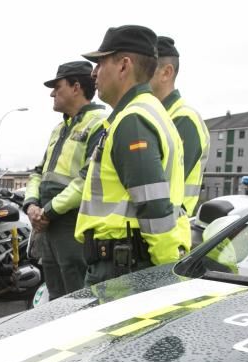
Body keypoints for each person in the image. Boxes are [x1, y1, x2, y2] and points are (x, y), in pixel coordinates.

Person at [75, 25, 188, 286]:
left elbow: (153, 206)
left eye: (100, 63)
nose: (93, 73)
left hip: (122, 271)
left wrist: (167, 274)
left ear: (124, 65)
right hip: (128, 264)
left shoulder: (133, 120)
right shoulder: (150, 112)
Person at [23, 62, 107, 300]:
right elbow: (38, 172)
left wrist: (47, 212)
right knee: (55, 292)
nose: (52, 93)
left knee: (77, 294)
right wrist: (31, 205)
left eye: (57, 86)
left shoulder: (99, 123)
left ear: (76, 87)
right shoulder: (59, 128)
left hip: (73, 224)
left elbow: (88, 179)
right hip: (48, 224)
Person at [150, 36, 210, 220]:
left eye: (145, 69)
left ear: (166, 73)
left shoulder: (184, 118)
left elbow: (160, 185)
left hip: (170, 227)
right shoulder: (154, 114)